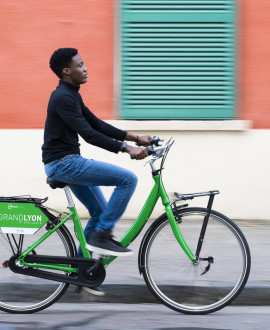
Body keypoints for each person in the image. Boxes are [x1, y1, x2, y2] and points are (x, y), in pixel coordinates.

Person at [42, 48, 151, 293]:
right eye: (81, 65)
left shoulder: (71, 95)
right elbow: (89, 135)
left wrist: (136, 138)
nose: (86, 68)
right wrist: (127, 149)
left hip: (67, 161)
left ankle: (82, 272)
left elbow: (97, 124)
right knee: (127, 179)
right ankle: (102, 235)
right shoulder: (62, 97)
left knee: (100, 211)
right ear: (67, 71)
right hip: (64, 163)